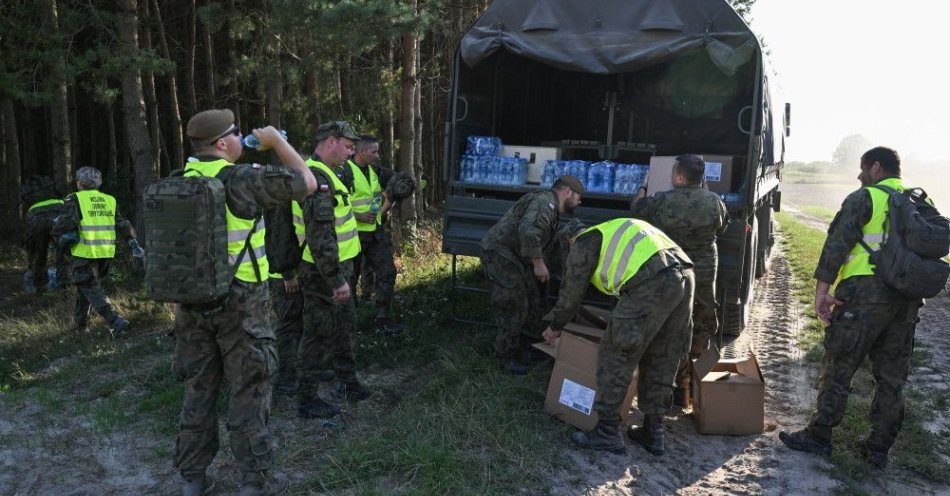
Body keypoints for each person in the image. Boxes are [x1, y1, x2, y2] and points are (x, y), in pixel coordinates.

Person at [174, 109, 317, 496]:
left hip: (190, 303)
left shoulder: (176, 182)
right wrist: (275, 141)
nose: (241, 138)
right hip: (242, 302)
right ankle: (253, 481)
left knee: (199, 388)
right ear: (222, 144)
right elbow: (307, 181)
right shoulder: (240, 179)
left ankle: (193, 479)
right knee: (249, 387)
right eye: (236, 133)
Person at [779, 146, 923, 470]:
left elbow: (836, 246)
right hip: (906, 300)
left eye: (862, 169)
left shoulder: (865, 197)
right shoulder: (918, 201)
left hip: (863, 295)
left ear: (875, 167)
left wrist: (821, 292)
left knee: (839, 368)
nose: (860, 176)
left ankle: (819, 438)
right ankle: (878, 450)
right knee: (891, 379)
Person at [542, 218, 694, 455]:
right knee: (663, 354)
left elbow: (571, 296)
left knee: (617, 352)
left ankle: (607, 432)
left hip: (654, 279)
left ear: (567, 240)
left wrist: (555, 326)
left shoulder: (583, 242)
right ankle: (653, 432)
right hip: (684, 272)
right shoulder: (612, 229)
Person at [630, 154, 727, 407]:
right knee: (701, 323)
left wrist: (644, 185)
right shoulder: (715, 202)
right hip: (704, 274)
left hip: (675, 271)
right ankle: (689, 390)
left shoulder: (663, 201)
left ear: (680, 177)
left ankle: (669, 384)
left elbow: (637, 211)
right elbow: (722, 228)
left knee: (671, 328)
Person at [295, 120, 372, 421]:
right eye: (348, 146)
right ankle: (306, 399)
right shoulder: (316, 178)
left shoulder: (332, 174)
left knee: (344, 326)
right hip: (324, 272)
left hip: (342, 267)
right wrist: (336, 279)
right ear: (330, 141)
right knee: (318, 333)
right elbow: (320, 237)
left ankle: (348, 382)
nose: (351, 153)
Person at [480, 175, 584, 374]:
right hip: (501, 255)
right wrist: (538, 264)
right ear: (567, 192)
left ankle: (529, 347)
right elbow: (528, 232)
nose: (580, 201)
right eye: (578, 196)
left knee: (533, 299)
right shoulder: (545, 203)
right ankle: (506, 356)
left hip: (516, 257)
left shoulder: (550, 207)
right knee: (514, 304)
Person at [52, 167, 137, 337]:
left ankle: (115, 320)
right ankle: (81, 325)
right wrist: (131, 240)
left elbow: (65, 224)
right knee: (86, 287)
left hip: (85, 251)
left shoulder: (75, 199)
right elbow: (122, 223)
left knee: (88, 286)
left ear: (81, 182)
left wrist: (54, 226)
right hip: (105, 251)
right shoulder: (109, 199)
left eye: (76, 180)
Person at [340, 135, 404, 334]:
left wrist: (398, 191)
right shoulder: (344, 172)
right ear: (361, 152)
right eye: (374, 152)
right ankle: (348, 324)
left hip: (375, 234)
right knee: (349, 281)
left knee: (387, 273)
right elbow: (337, 206)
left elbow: (394, 186)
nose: (378, 155)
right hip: (352, 236)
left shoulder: (376, 171)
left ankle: (383, 318)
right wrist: (358, 215)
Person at [20, 175, 69, 294]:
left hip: (35, 216)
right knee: (63, 253)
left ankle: (38, 288)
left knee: (38, 253)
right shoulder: (51, 187)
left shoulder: (28, 190)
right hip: (58, 212)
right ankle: (63, 288)